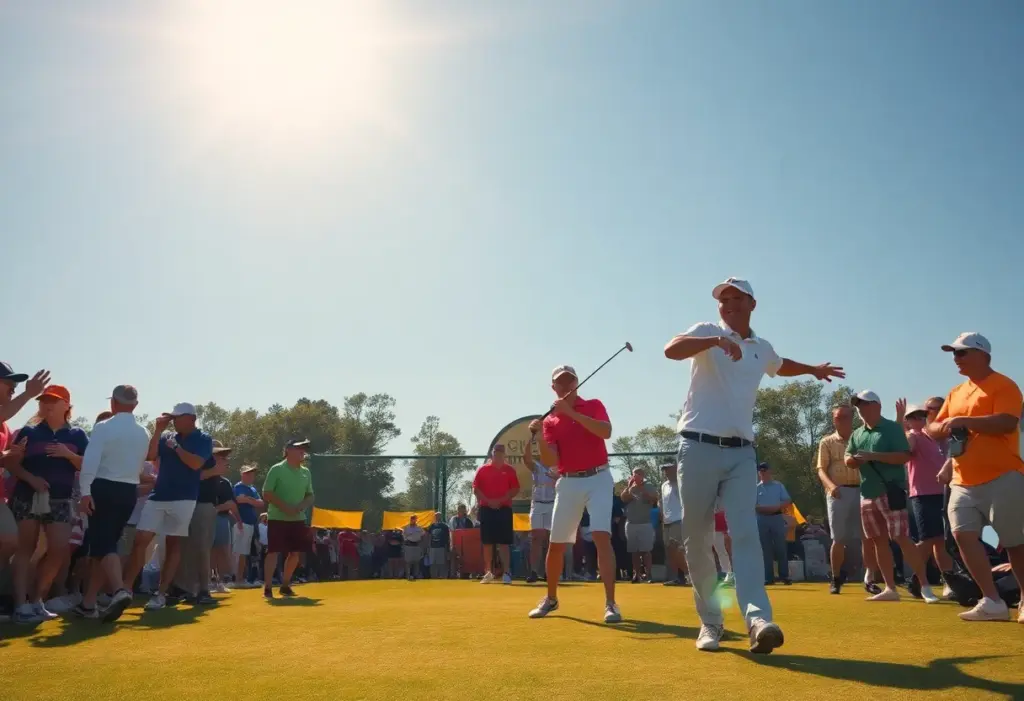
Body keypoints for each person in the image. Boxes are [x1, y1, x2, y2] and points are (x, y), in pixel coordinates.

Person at [663, 277, 844, 653]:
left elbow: (779, 364)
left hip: (742, 453)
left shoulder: (761, 347)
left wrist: (812, 369)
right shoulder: (707, 331)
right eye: (723, 299)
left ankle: (758, 620)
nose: (728, 304)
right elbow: (672, 349)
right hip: (696, 447)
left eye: (736, 298)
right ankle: (711, 622)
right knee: (697, 538)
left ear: (752, 304)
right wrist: (716, 341)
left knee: (744, 534)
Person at [926, 333, 1024, 623]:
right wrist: (943, 427)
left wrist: (965, 421)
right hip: (962, 479)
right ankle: (992, 600)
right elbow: (933, 427)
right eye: (954, 353)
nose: (956, 358)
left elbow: (1007, 421)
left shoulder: (1004, 385)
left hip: (1003, 475)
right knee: (962, 536)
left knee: (1014, 542)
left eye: (962, 352)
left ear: (983, 355)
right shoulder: (956, 392)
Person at [528, 365, 621, 623]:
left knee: (601, 536)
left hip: (599, 477)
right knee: (557, 543)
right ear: (553, 387)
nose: (566, 385)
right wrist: (539, 438)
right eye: (560, 382)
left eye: (570, 380)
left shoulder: (593, 405)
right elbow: (551, 460)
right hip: (569, 481)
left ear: (577, 383)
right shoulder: (550, 421)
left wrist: (571, 413)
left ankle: (611, 603)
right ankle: (551, 598)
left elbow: (606, 431)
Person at [846, 390, 938, 603]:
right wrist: (854, 460)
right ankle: (890, 588)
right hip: (867, 493)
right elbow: (848, 457)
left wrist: (873, 456)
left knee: (901, 538)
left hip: (891, 492)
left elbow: (904, 456)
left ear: (877, 406)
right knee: (878, 541)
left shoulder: (892, 428)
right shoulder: (857, 433)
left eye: (864, 404)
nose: (860, 409)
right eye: (858, 405)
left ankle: (925, 586)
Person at [6, 385, 88, 623]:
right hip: (27, 495)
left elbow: (87, 466)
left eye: (53, 400)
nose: (46, 404)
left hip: (61, 498)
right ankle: (21, 605)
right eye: (43, 400)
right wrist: (31, 478)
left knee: (59, 550)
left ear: (66, 405)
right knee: (26, 549)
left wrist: (69, 455)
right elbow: (10, 463)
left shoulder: (77, 435)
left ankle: (37, 600)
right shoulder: (28, 432)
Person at [122, 402, 214, 611]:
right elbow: (151, 455)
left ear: (192, 418)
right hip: (159, 496)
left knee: (173, 544)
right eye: (173, 418)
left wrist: (177, 448)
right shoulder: (166, 437)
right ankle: (125, 589)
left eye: (178, 417)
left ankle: (161, 594)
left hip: (184, 498)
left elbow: (196, 464)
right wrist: (158, 431)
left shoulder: (203, 439)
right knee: (141, 539)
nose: (174, 421)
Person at [75, 385, 150, 622]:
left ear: (113, 403)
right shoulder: (144, 432)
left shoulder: (103, 427)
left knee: (104, 545)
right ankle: (88, 603)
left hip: (104, 488)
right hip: (128, 492)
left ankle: (119, 590)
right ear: (135, 405)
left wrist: (85, 492)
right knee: (104, 547)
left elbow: (90, 463)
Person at [816, 405, 880, 595]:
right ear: (833, 420)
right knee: (838, 538)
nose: (841, 420)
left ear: (852, 418)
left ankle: (869, 579)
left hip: (863, 490)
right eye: (838, 417)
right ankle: (836, 578)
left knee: (868, 537)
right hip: (838, 492)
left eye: (845, 416)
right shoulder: (827, 442)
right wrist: (831, 487)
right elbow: (821, 469)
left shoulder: (861, 438)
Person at [0, 364, 50, 583]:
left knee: (10, 541)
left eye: (16, 385)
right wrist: (29, 394)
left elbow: (6, 462)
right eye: (8, 383)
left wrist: (13, 456)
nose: (14, 388)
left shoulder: (5, 428)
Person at [899, 400, 954, 597]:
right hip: (922, 494)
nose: (919, 419)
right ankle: (915, 578)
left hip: (942, 493)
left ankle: (948, 581)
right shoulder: (913, 435)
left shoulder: (933, 437)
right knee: (927, 540)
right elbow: (906, 449)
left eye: (922, 415)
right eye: (913, 417)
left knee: (939, 540)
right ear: (908, 421)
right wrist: (902, 426)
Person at [175, 439, 234, 605]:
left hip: (206, 507)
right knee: (197, 550)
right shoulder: (200, 464)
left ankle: (199, 589)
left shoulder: (214, 472)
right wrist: (214, 470)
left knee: (202, 549)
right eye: (219, 455)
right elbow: (193, 478)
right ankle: (197, 589)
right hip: (197, 505)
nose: (223, 459)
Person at [262, 438, 315, 599]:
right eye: (299, 448)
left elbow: (310, 495)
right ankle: (268, 587)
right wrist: (285, 507)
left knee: (295, 553)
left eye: (304, 448)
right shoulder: (276, 469)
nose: (302, 451)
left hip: (298, 519)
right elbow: (267, 493)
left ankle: (285, 585)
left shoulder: (306, 472)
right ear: (288, 450)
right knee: (273, 552)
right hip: (277, 517)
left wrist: (300, 507)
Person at [472, 443, 519, 585]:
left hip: (504, 509)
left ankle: (506, 573)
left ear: (504, 454)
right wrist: (488, 501)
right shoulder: (482, 470)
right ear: (492, 454)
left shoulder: (509, 470)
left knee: (504, 543)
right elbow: (476, 489)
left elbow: (515, 489)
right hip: (486, 509)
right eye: (496, 453)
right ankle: (488, 572)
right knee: (487, 542)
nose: (498, 455)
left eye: (501, 453)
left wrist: (500, 500)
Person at [523, 433, 556, 584]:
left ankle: (550, 572)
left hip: (553, 504)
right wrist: (531, 438)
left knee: (551, 540)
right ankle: (534, 571)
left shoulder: (558, 467)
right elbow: (526, 458)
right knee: (536, 538)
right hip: (537, 504)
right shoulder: (537, 466)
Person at [755, 463, 792, 586]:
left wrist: (776, 507)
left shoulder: (778, 486)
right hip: (761, 519)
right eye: (760, 471)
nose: (763, 473)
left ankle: (784, 576)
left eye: (765, 470)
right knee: (765, 549)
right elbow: (753, 505)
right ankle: (768, 577)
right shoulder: (755, 488)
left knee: (781, 547)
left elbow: (787, 500)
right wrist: (767, 509)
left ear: (770, 471)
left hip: (777, 518)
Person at [621, 468, 658, 583]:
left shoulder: (649, 486)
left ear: (643, 475)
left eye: (639, 474)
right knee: (634, 551)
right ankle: (636, 574)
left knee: (646, 551)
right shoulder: (630, 486)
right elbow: (623, 498)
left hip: (645, 523)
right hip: (631, 523)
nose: (636, 476)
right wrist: (629, 487)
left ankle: (649, 574)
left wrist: (642, 489)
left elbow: (654, 499)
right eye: (634, 474)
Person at [230, 465, 263, 587]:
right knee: (239, 552)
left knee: (245, 551)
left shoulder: (252, 488)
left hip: (250, 524)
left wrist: (248, 499)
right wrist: (251, 500)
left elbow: (261, 503)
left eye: (252, 474)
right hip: (241, 523)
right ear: (242, 474)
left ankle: (241, 578)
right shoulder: (238, 487)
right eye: (248, 473)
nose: (251, 476)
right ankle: (238, 579)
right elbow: (239, 499)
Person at [211, 473, 242, 592]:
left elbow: (231, 503)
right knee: (208, 550)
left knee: (222, 550)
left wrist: (238, 519)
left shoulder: (225, 483)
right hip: (206, 518)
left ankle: (219, 582)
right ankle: (208, 582)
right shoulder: (202, 478)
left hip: (221, 518)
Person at [659, 462, 688, 586]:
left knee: (678, 550)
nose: (666, 472)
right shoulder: (664, 485)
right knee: (670, 551)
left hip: (678, 520)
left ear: (676, 469)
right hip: (667, 522)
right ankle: (679, 577)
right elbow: (663, 502)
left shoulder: (682, 482)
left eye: (669, 469)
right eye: (665, 470)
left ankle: (689, 575)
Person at [712, 505, 734, 586]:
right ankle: (727, 573)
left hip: (723, 518)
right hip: (712, 521)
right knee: (720, 550)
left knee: (727, 550)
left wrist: (725, 530)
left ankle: (731, 574)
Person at [402, 514, 426, 581]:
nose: (413, 520)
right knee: (408, 562)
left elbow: (424, 535)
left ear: (416, 519)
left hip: (417, 545)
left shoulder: (419, 528)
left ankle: (416, 575)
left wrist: (422, 543)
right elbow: (404, 537)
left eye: (414, 518)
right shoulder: (406, 528)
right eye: (412, 518)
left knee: (416, 562)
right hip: (409, 545)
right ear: (410, 519)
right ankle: (408, 576)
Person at [427, 512, 450, 579]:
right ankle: (433, 577)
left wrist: (447, 549)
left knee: (441, 564)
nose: (437, 517)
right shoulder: (432, 526)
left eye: (438, 516)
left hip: (441, 547)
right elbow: (429, 536)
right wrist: (428, 547)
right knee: (432, 564)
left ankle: (442, 577)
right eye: (436, 516)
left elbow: (447, 538)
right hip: (432, 548)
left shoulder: (445, 526)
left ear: (441, 517)